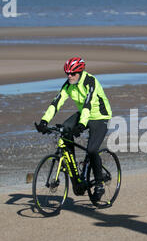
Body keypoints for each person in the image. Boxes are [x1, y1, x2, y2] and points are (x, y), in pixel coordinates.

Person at [35, 57, 112, 201]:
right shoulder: (68, 84)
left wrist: (82, 125)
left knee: (92, 150)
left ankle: (100, 184)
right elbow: (56, 102)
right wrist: (44, 121)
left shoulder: (90, 81)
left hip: (99, 116)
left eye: (72, 74)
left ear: (80, 72)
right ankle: (74, 171)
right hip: (84, 114)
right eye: (67, 74)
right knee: (65, 129)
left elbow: (88, 104)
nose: (69, 76)